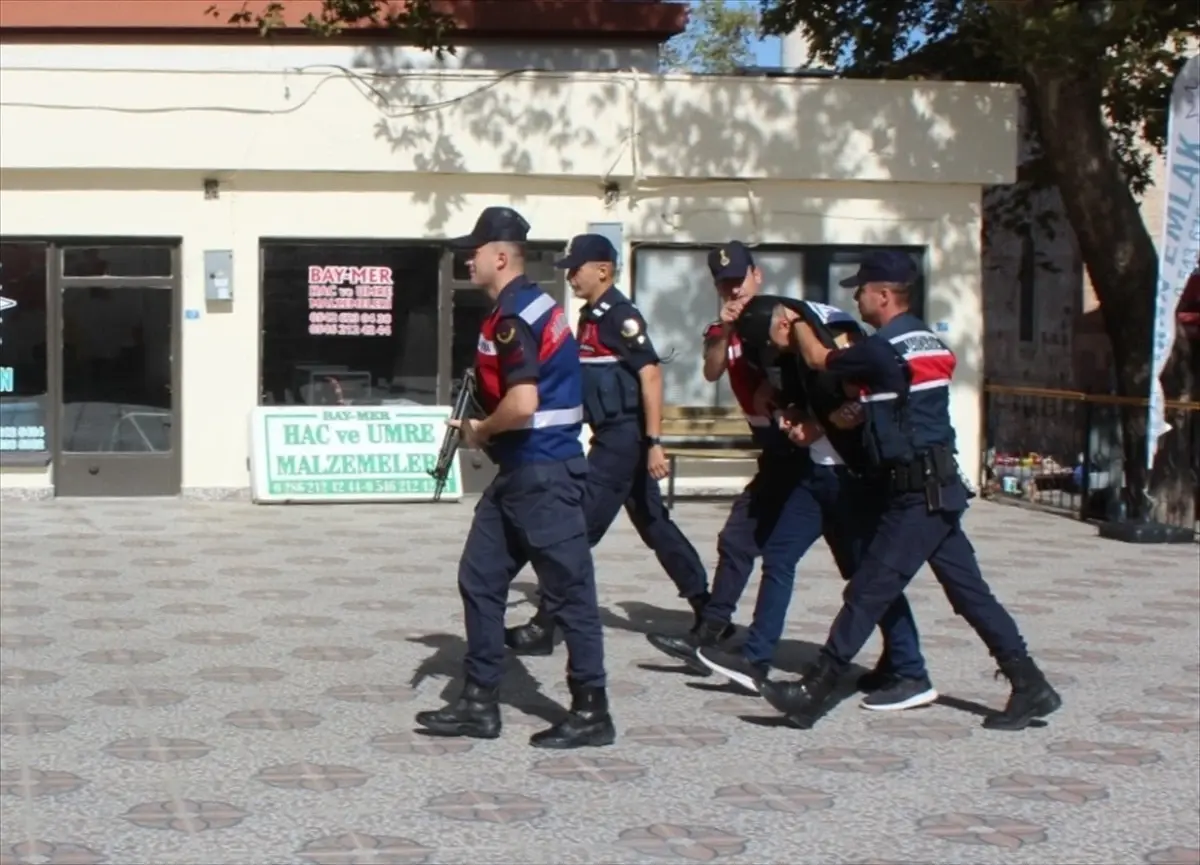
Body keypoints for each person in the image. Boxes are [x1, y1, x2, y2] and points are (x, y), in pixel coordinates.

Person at [756, 250, 1062, 731]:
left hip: (917, 495)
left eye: (861, 290)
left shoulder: (883, 349)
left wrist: (796, 321)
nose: (856, 299)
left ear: (883, 295)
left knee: (868, 589)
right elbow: (898, 401)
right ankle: (1031, 685)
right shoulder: (926, 341)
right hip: (938, 488)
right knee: (970, 594)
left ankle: (813, 691)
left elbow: (817, 359)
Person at [414, 207, 615, 750]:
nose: (467, 259)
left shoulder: (514, 316)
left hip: (543, 475)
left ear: (500, 257)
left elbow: (523, 402)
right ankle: (479, 702)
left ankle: (591, 710)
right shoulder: (531, 305)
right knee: (480, 577)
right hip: (522, 474)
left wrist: (479, 431)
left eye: (474, 251)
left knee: (571, 594)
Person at [691, 293, 936, 711]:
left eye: (772, 342)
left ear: (785, 325)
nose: (773, 353)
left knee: (868, 579)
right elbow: (792, 393)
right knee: (779, 556)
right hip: (816, 475)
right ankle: (755, 658)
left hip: (853, 479)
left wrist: (819, 425)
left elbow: (866, 398)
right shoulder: (790, 349)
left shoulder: (836, 338)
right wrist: (790, 414)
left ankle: (909, 668)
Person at [505, 234, 711, 656]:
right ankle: (710, 611)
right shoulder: (591, 317)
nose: (571, 278)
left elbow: (651, 375)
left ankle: (545, 624)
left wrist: (654, 442)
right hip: (613, 436)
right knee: (655, 525)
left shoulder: (620, 316)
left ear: (602, 270)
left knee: (576, 531)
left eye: (575, 270)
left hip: (622, 440)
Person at [644, 242, 827, 679]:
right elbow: (711, 370)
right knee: (738, 539)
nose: (734, 291)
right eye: (725, 284)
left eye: (739, 281)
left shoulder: (783, 320)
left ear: (756, 276)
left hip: (811, 448)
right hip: (775, 448)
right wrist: (726, 330)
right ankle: (712, 631)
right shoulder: (722, 329)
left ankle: (902, 660)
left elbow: (814, 373)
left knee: (847, 560)